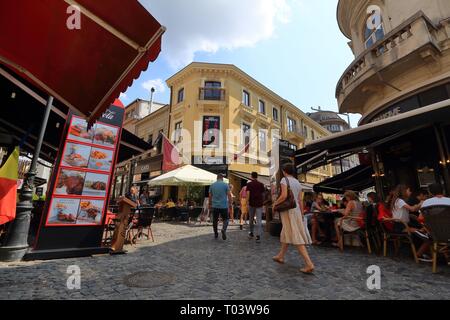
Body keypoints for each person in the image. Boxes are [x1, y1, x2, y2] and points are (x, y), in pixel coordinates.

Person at [272, 163, 315, 274]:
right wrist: (301, 213)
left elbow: (284, 196)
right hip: (296, 210)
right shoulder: (297, 182)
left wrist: (275, 204)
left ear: (284, 171)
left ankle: (309, 263)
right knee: (287, 231)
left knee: (295, 235)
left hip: (288, 210)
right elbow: (300, 200)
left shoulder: (283, 180)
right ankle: (281, 255)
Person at [415, 183, 450, 263]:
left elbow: (420, 219)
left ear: (430, 192)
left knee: (425, 232)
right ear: (443, 191)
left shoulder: (426, 203)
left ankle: (420, 254)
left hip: (435, 235)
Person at [209, 174, 232, 240]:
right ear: (222, 178)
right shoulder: (225, 185)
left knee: (215, 220)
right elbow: (229, 195)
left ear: (217, 178)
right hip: (224, 206)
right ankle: (223, 229)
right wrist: (230, 203)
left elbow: (210, 196)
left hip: (215, 206)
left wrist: (209, 204)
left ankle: (216, 233)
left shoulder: (212, 185)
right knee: (226, 219)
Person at [246, 172, 266, 243]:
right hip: (259, 204)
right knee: (259, 220)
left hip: (251, 203)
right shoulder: (261, 184)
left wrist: (246, 202)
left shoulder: (249, 184)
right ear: (257, 177)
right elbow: (263, 194)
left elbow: (248, 194)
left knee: (251, 219)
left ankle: (251, 233)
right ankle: (258, 236)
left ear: (251, 176)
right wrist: (262, 202)